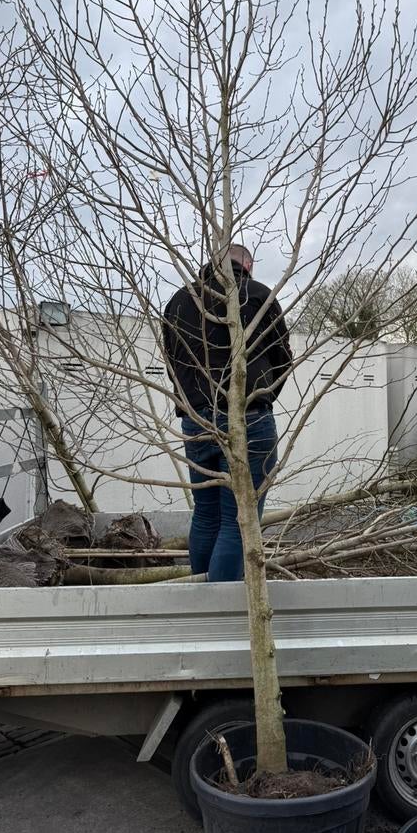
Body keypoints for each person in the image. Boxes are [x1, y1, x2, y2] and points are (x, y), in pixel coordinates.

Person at [162, 244, 292, 582]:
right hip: (249, 419)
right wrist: (262, 397)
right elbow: (283, 359)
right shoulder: (260, 295)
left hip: (197, 422)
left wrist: (191, 404)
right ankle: (224, 613)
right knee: (240, 519)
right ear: (247, 264)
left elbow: (172, 362)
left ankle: (203, 609)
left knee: (206, 516)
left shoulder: (178, 302)